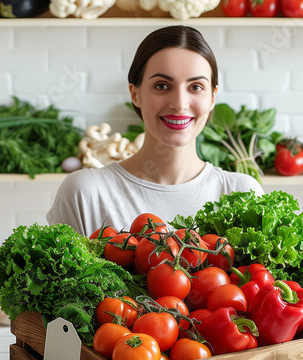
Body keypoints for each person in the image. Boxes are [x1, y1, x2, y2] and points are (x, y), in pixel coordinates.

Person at [47, 25, 264, 236]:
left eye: (195, 87)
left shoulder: (242, 192)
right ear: (135, 94)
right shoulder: (86, 192)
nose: (179, 104)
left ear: (212, 98)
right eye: (162, 86)